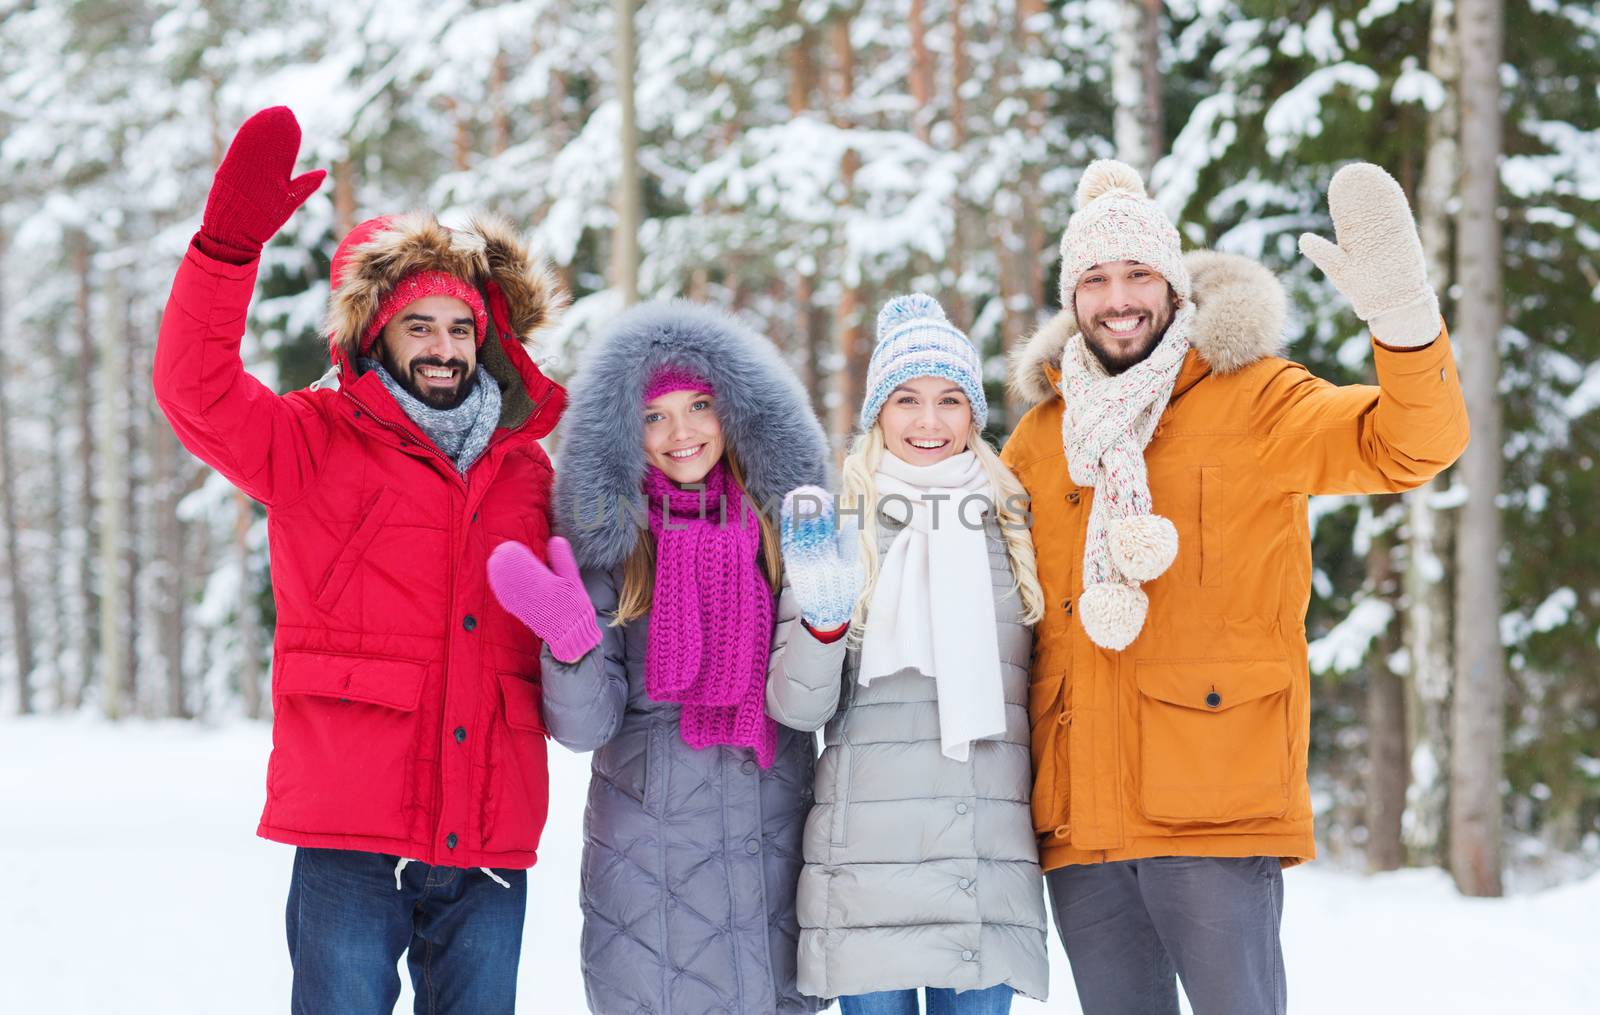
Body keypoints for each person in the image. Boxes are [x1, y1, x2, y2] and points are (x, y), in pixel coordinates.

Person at [997, 158, 1470, 1015]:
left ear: (1175, 284)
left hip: (1212, 798)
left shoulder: (1256, 397)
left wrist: (1402, 322)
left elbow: (1410, 444)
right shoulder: (1040, 435)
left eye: (1139, 273)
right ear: (1072, 297)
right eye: (1096, 279)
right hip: (1079, 818)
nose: (1118, 297)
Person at [152, 106, 567, 1014]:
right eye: (420, 326)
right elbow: (195, 390)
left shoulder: (529, 471)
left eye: (461, 329)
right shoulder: (311, 439)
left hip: (489, 832)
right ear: (375, 333)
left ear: (487, 340)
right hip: (351, 826)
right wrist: (225, 254)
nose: (443, 348)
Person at [487, 301, 830, 1014]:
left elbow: (812, 695)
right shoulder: (613, 550)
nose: (681, 431)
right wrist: (571, 643)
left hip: (777, 849)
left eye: (699, 404)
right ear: (624, 432)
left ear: (737, 409)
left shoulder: (785, 533)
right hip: (649, 873)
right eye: (654, 415)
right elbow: (586, 728)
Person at [764, 294, 1050, 1015]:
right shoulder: (837, 527)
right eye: (907, 399)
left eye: (951, 399)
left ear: (973, 413)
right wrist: (824, 622)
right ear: (877, 414)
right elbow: (797, 707)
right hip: (866, 868)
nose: (929, 421)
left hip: (982, 864)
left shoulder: (1012, 523)